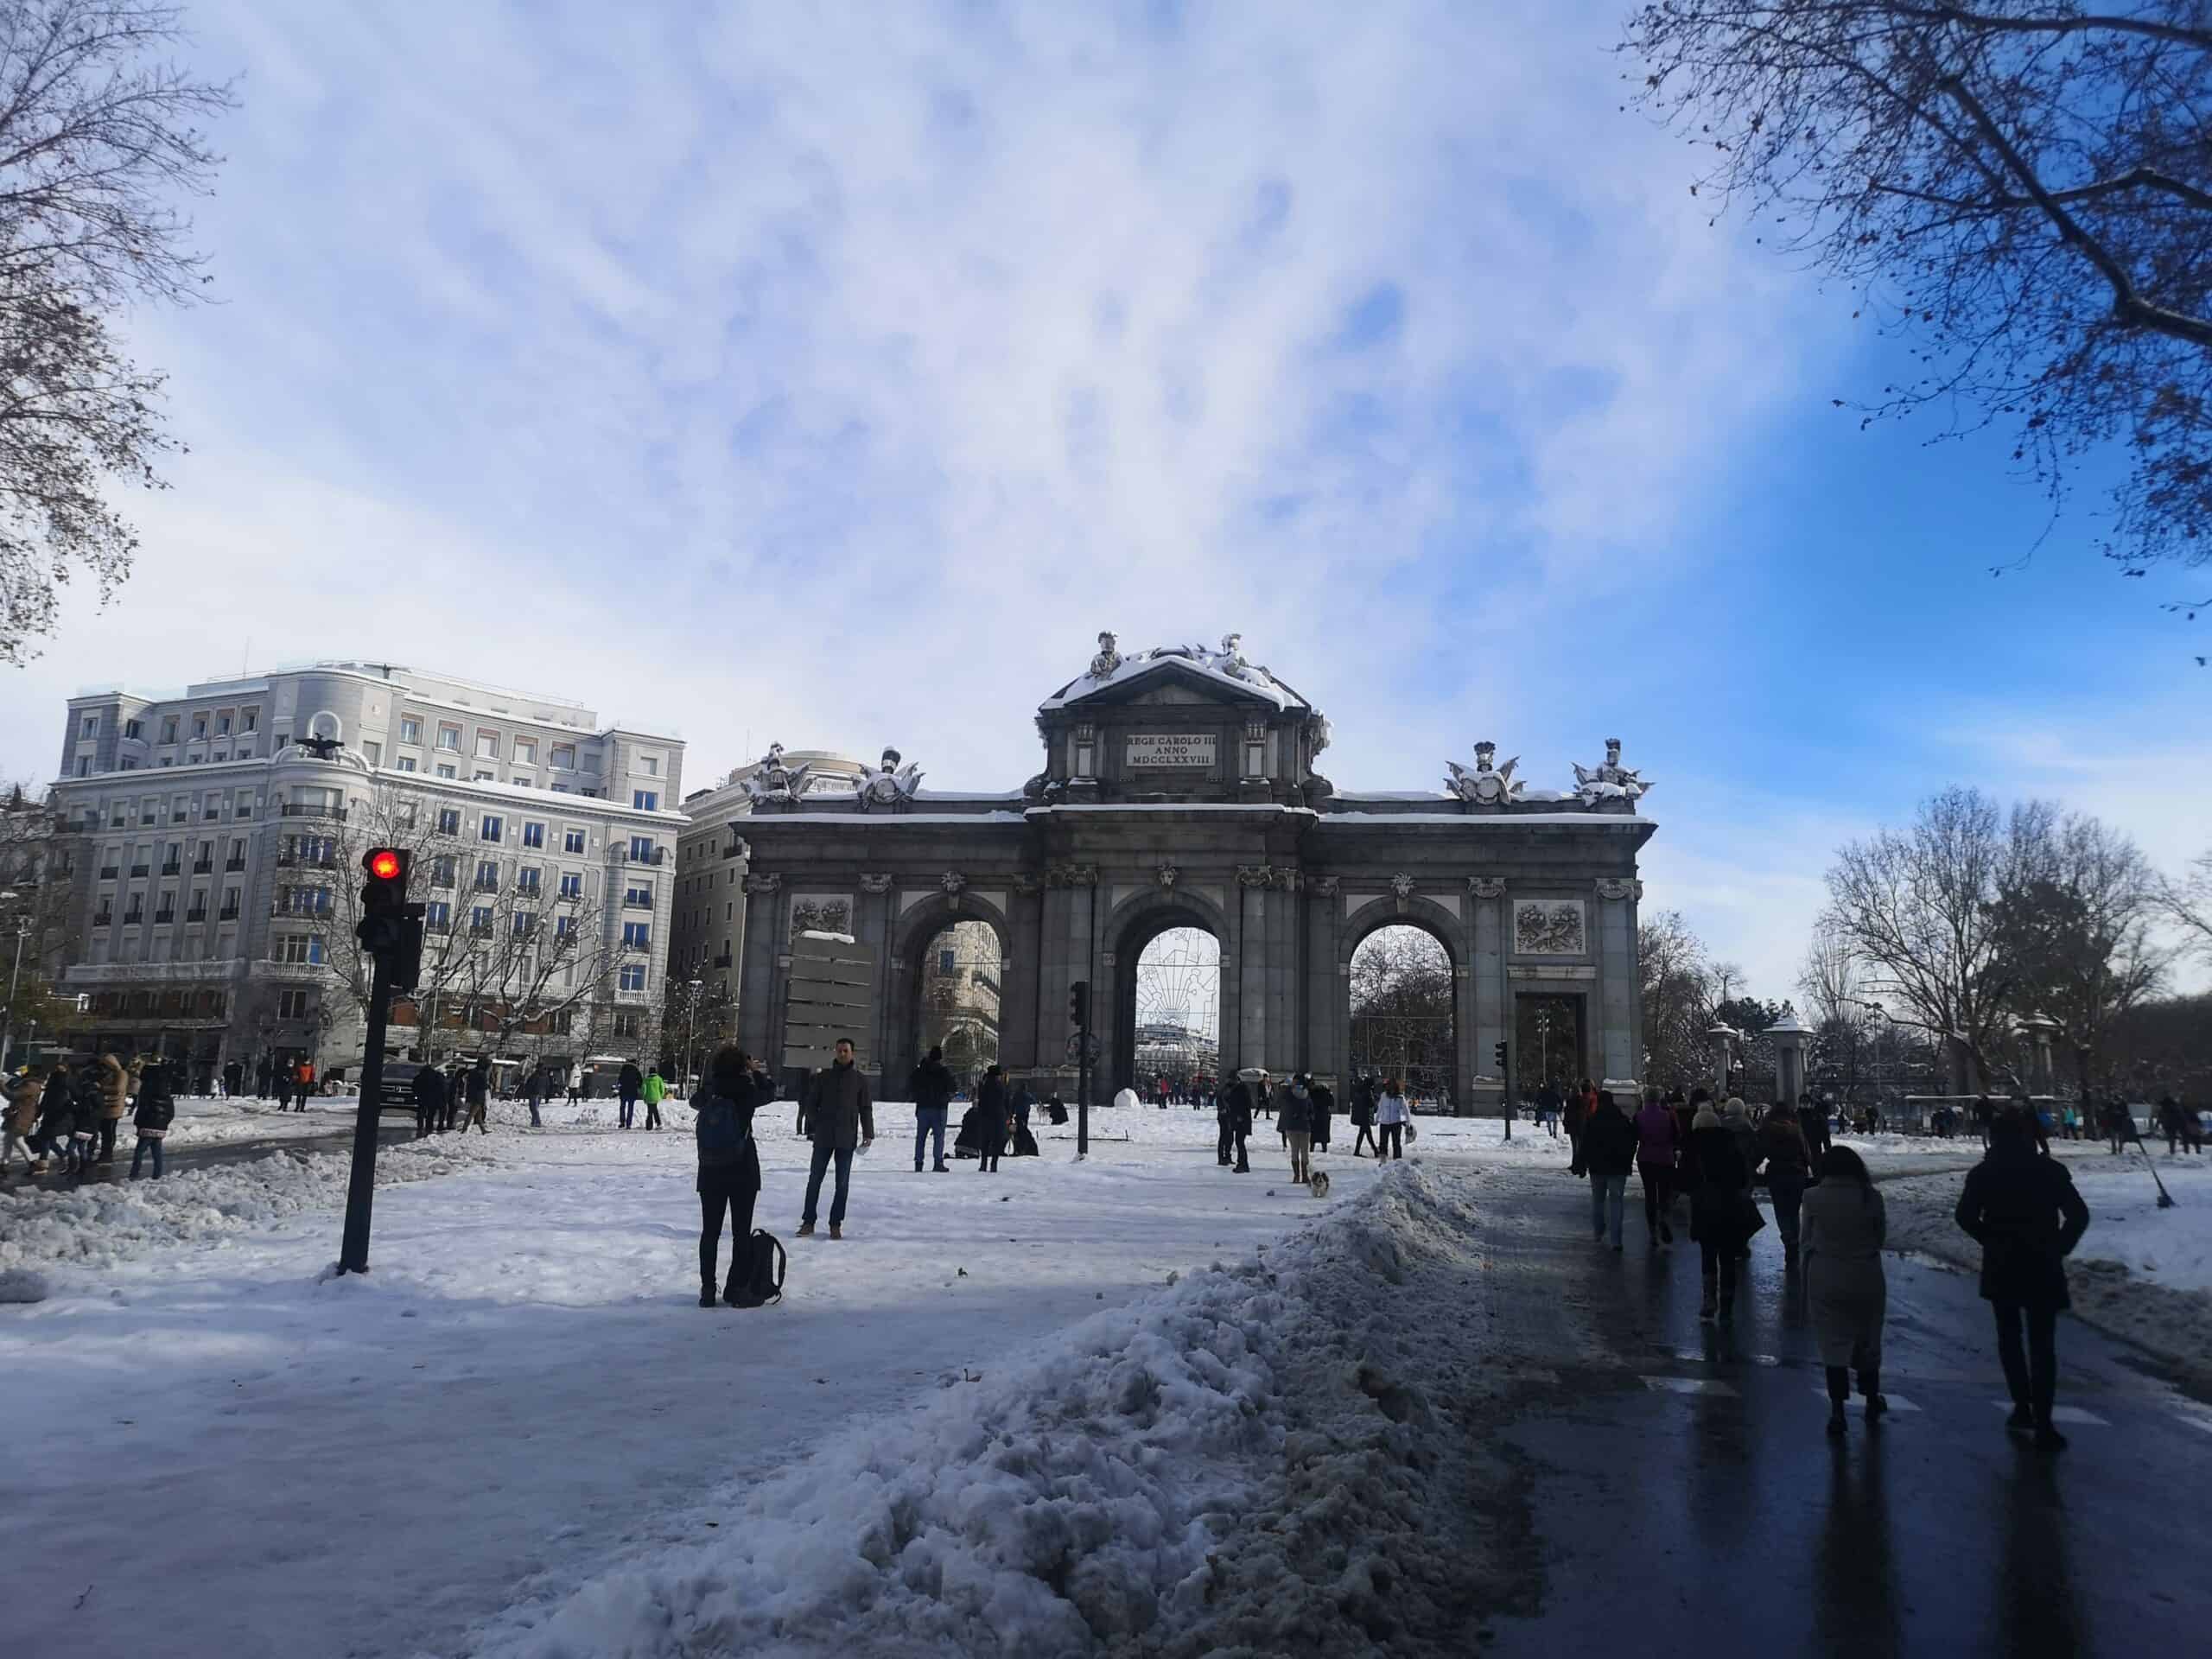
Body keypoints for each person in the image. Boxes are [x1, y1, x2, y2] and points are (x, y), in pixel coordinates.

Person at [1955, 1109, 2093, 1450]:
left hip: (2003, 1261)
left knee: (2009, 1337)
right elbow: (2078, 1214)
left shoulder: (1985, 1173)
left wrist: (1989, 1237)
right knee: (2043, 1344)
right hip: (2043, 1261)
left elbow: (1965, 1215)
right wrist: (2059, 1246)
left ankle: (2021, 1405)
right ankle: (2045, 1419)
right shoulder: (2049, 1171)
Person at [1801, 1146, 1888, 1436]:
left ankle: (1837, 1410)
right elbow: (1880, 1238)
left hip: (1826, 1274)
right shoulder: (1871, 1198)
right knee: (1868, 1336)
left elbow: (1806, 1239)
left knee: (1832, 1343)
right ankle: (1871, 1398)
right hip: (1866, 1273)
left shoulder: (1812, 1197)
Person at [693, 1046, 774, 1306]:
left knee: (710, 1233)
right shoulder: (747, 1090)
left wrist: (712, 1081)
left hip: (710, 1170)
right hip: (742, 1170)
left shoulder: (711, 1090)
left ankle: (707, 1289)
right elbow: (771, 1092)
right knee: (741, 1232)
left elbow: (694, 1101)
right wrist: (756, 1071)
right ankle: (735, 1288)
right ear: (742, 1065)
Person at [798, 1037, 874, 1237]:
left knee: (842, 1183)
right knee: (815, 1179)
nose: (842, 1054)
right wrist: (817, 1123)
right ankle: (808, 1221)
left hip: (846, 1138)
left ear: (852, 1053)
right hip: (823, 1137)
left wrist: (868, 1134)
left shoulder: (859, 1080)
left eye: (846, 1051)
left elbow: (866, 1108)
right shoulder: (824, 1078)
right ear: (835, 1052)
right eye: (839, 1050)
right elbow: (811, 1105)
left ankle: (835, 1224)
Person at [1688, 1102, 1755, 1321]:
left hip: (1704, 1208)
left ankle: (1709, 1299)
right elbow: (1743, 1178)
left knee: (1708, 1255)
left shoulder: (1693, 1148)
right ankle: (1727, 1302)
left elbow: (1684, 1181)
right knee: (1727, 1257)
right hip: (1729, 1207)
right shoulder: (1731, 1145)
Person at [1757, 1101, 1814, 1268]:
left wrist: (1751, 1168)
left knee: (1781, 1210)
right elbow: (1806, 1152)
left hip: (1776, 1174)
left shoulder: (1767, 1130)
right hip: (1797, 1173)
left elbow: (1760, 1152)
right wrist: (1811, 1168)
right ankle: (1794, 1240)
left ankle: (1788, 1238)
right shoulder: (1796, 1129)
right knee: (1794, 1210)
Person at [1582, 1090, 1638, 1250]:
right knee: (1616, 1202)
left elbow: (1586, 1143)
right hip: (1618, 1168)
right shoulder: (1622, 1120)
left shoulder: (1593, 1120)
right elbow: (1632, 1141)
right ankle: (1616, 1240)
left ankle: (1598, 1232)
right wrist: (1628, 1159)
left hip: (1597, 1167)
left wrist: (1583, 1162)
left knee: (1598, 1201)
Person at [1634, 1087, 1680, 1245]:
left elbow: (1635, 1136)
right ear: (1660, 1099)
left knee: (1650, 1194)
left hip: (1646, 1158)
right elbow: (1676, 1136)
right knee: (1665, 1193)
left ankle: (1652, 1231)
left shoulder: (1639, 1116)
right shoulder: (1669, 1116)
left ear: (1645, 1100)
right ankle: (1664, 1217)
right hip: (1665, 1158)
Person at [909, 1045, 956, 1172]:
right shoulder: (943, 1071)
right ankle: (938, 1162)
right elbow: (952, 1087)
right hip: (939, 1108)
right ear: (940, 1058)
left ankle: (918, 1163)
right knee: (939, 1137)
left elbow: (911, 1084)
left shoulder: (920, 1071)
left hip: (923, 1107)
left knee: (921, 1137)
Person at [130, 1058, 175, 1179]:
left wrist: (138, 1124)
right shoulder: (165, 1088)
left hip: (148, 1125)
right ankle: (157, 1175)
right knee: (157, 1153)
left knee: (139, 1152)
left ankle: (133, 1175)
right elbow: (171, 1111)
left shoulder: (147, 1089)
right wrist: (164, 1123)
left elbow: (143, 1109)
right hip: (160, 1126)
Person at [3, 1067, 43, 1180]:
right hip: (20, 1115)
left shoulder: (30, 1085)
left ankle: (31, 1163)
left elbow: (12, 1095)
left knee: (15, 1140)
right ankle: (5, 1165)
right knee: (10, 1140)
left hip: (21, 1117)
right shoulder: (30, 1085)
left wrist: (1, 1085)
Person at [92, 1050, 130, 1165]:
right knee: (105, 1131)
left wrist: (101, 1087)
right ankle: (105, 1154)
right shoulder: (111, 1074)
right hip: (107, 1106)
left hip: (113, 1107)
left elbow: (118, 1089)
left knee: (108, 1132)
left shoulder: (121, 1073)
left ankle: (107, 1155)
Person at [1277, 1074, 1315, 1184]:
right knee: (1296, 1151)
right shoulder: (1289, 1093)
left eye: (1296, 1082)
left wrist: (1309, 1117)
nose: (1294, 1084)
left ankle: (1303, 1176)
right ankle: (1298, 1175)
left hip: (1303, 1126)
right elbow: (1280, 1102)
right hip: (1294, 1126)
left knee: (1303, 1152)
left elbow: (1311, 1110)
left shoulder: (1305, 1094)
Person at [976, 1064, 1010, 1173]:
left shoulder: (983, 1085)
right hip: (998, 1116)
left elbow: (980, 1101)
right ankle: (994, 1165)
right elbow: (1006, 1102)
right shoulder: (1001, 1086)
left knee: (985, 1141)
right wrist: (1008, 1115)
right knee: (996, 1141)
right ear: (997, 1076)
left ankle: (983, 1164)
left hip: (985, 1115)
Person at [1376, 1077, 1409, 1161]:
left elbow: (1406, 1111)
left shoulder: (1400, 1097)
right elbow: (1380, 1108)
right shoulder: (1383, 1095)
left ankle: (1397, 1162)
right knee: (1383, 1143)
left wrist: (1408, 1123)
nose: (1390, 1089)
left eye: (1392, 1087)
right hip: (1384, 1123)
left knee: (1396, 1143)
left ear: (1395, 1087)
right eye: (1388, 1087)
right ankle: (1383, 1161)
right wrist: (1377, 1119)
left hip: (1396, 1123)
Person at [410, 1062, 445, 1138]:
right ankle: (429, 1128)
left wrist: (417, 1094)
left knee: (421, 1113)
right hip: (434, 1098)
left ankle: (420, 1128)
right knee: (431, 1114)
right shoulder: (437, 1076)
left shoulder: (419, 1076)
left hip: (422, 1098)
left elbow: (414, 1087)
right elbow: (442, 1087)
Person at [1561, 1081, 1588, 1175]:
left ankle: (1575, 1164)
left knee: (1575, 1147)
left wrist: (1566, 1123)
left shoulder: (1570, 1102)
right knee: (1580, 1146)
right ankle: (1581, 1164)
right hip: (1581, 1126)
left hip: (1573, 1127)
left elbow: (1567, 1116)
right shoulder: (1583, 1101)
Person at [1350, 1075, 1377, 1158]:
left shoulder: (1359, 1089)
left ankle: (1374, 1150)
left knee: (1365, 1134)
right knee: (1366, 1134)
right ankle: (1374, 1150)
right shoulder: (1367, 1091)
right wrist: (1373, 1100)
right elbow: (1371, 1104)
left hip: (1360, 1115)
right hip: (1365, 1115)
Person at [464, 1058, 491, 1134]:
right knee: (471, 1114)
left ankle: (483, 1130)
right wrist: (488, 1086)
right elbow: (484, 1086)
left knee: (478, 1115)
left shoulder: (472, 1071)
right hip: (479, 1096)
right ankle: (464, 1130)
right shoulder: (482, 1073)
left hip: (471, 1094)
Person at [1309, 1075, 1334, 1153]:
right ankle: (1324, 1149)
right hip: (1324, 1115)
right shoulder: (1327, 1093)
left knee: (1314, 1133)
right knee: (1324, 1133)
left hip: (1315, 1115)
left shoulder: (1313, 1092)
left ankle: (1312, 1148)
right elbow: (1332, 1103)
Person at [617, 1059, 644, 1130]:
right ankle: (628, 1124)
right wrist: (637, 1086)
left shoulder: (623, 1069)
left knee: (622, 1107)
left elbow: (619, 1080)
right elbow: (641, 1081)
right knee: (630, 1108)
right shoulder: (636, 1071)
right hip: (632, 1091)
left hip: (624, 1091)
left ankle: (622, 1122)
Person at [642, 1065, 667, 1131]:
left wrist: (644, 1097)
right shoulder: (659, 1079)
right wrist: (660, 1096)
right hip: (656, 1097)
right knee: (654, 1110)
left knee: (650, 1111)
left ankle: (649, 1126)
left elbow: (644, 1089)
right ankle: (658, 1124)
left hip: (648, 1097)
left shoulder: (646, 1079)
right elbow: (662, 1088)